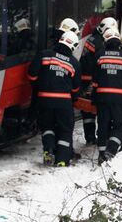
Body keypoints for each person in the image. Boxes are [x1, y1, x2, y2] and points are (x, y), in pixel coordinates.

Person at [27, 30, 82, 167]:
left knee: (47, 127)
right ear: (73, 46)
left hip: (44, 100)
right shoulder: (74, 63)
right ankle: (62, 160)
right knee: (65, 130)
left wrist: (39, 87)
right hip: (64, 103)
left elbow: (32, 74)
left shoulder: (45, 55)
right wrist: (73, 98)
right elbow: (76, 88)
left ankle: (49, 151)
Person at [92, 27, 122, 164]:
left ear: (105, 41)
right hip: (120, 99)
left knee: (102, 125)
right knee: (119, 126)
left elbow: (95, 80)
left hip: (102, 97)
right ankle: (111, 150)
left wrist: (94, 96)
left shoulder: (99, 55)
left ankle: (101, 154)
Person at [78, 16, 117, 145]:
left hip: (84, 78)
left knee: (87, 111)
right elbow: (100, 62)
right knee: (98, 107)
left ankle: (89, 137)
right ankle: (100, 137)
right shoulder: (100, 43)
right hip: (92, 79)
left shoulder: (92, 38)